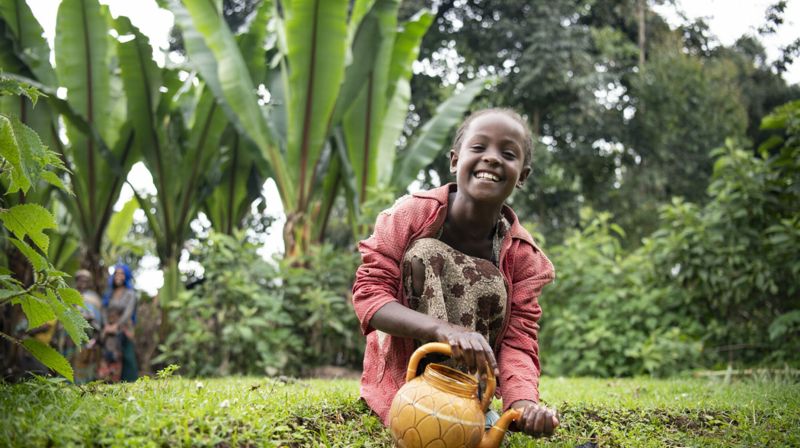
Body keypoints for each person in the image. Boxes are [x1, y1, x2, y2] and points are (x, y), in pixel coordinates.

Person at [352, 108, 559, 438]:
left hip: (470, 396)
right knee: (425, 252)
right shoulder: (410, 215)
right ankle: (425, 391)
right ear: (454, 160)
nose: (492, 158)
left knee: (493, 282)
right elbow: (369, 295)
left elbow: (519, 341)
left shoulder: (524, 257)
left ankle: (470, 403)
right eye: (478, 147)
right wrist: (444, 330)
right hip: (404, 379)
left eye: (508, 154)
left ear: (522, 175)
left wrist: (524, 405)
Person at [102, 264, 138, 382]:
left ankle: (130, 382)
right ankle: (110, 381)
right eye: (116, 273)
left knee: (127, 355)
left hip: (124, 328)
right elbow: (104, 310)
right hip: (109, 328)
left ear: (126, 276)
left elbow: (128, 312)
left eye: (121, 274)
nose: (118, 276)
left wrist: (116, 326)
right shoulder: (109, 293)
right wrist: (107, 325)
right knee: (110, 355)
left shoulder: (130, 293)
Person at [68, 269, 103, 383]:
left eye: (86, 281)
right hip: (69, 335)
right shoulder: (69, 294)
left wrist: (90, 321)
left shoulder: (94, 298)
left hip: (87, 335)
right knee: (68, 360)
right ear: (76, 281)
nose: (83, 283)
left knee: (85, 361)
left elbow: (97, 318)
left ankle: (84, 385)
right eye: (80, 280)